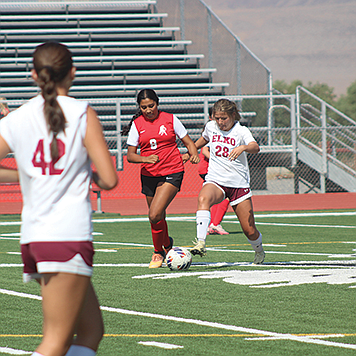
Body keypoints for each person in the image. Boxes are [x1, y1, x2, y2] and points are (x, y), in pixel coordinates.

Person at [0, 42, 118, 356]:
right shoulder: (81, 112)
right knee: (56, 340)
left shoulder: (16, 118)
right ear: (73, 73)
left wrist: (27, 175)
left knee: (92, 332)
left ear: (34, 75)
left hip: (36, 236)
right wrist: (81, 175)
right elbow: (109, 179)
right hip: (67, 234)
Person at [122, 89, 199, 268]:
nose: (148, 110)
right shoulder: (137, 124)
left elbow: (188, 142)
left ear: (157, 103)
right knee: (157, 217)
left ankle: (158, 252)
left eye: (151, 106)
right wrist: (145, 159)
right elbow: (130, 156)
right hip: (148, 174)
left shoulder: (170, 119)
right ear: (139, 108)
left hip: (172, 171)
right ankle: (167, 244)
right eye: (144, 107)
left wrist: (193, 154)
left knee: (154, 213)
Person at [190, 98, 265, 264]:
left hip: (238, 184)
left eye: (223, 118)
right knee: (203, 199)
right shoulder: (211, 127)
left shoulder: (241, 131)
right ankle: (200, 242)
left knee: (249, 230)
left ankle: (259, 251)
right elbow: (204, 139)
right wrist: (191, 150)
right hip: (216, 180)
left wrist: (243, 147)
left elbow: (255, 147)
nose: (220, 122)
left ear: (232, 115)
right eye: (217, 118)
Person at [198, 107, 230, 235]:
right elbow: (205, 149)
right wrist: (217, 160)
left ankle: (212, 224)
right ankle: (214, 224)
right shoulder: (212, 128)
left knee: (219, 196)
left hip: (209, 168)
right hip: (210, 168)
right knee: (226, 195)